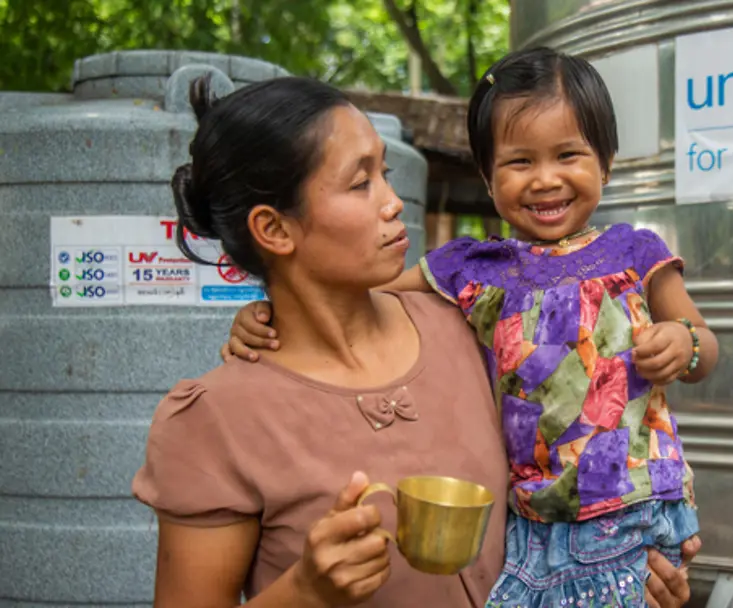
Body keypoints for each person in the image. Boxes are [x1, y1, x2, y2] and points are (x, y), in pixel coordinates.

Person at [132, 72, 699, 608]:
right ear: (275, 229)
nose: (393, 201)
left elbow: (592, 437)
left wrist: (628, 569)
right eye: (360, 182)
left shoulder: (465, 324)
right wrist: (303, 592)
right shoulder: (216, 419)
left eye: (385, 172)